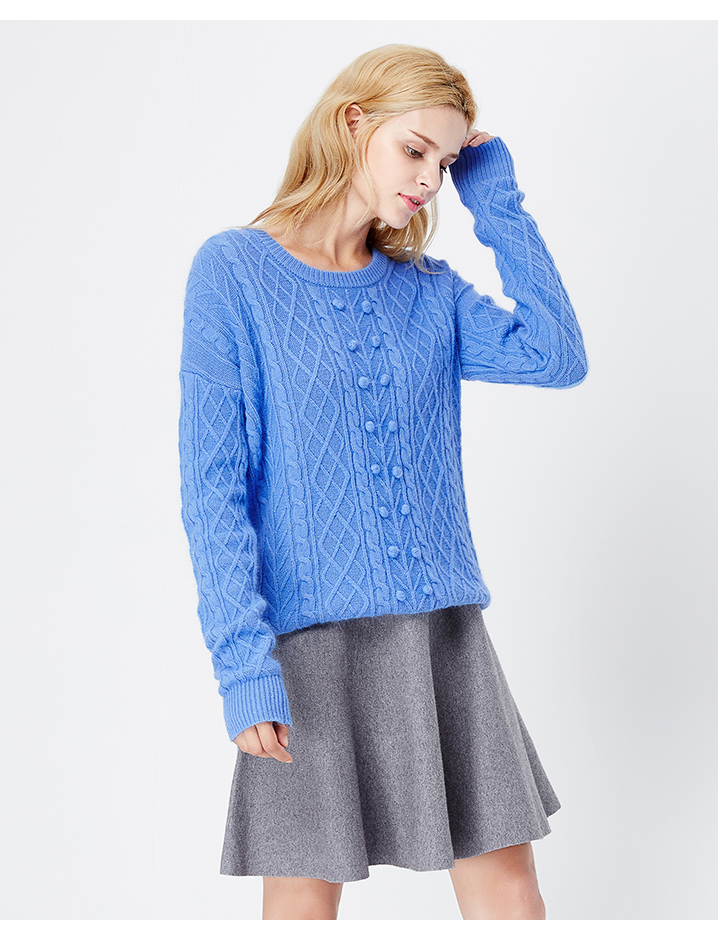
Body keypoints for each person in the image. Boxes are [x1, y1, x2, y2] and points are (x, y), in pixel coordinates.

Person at [178, 43, 588, 921]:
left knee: (507, 889)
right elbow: (213, 489)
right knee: (301, 896)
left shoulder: (428, 291)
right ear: (352, 120)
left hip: (443, 635)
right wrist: (242, 666)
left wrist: (496, 201)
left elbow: (556, 357)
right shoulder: (234, 272)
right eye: (415, 150)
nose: (430, 180)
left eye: (446, 161)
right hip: (307, 646)